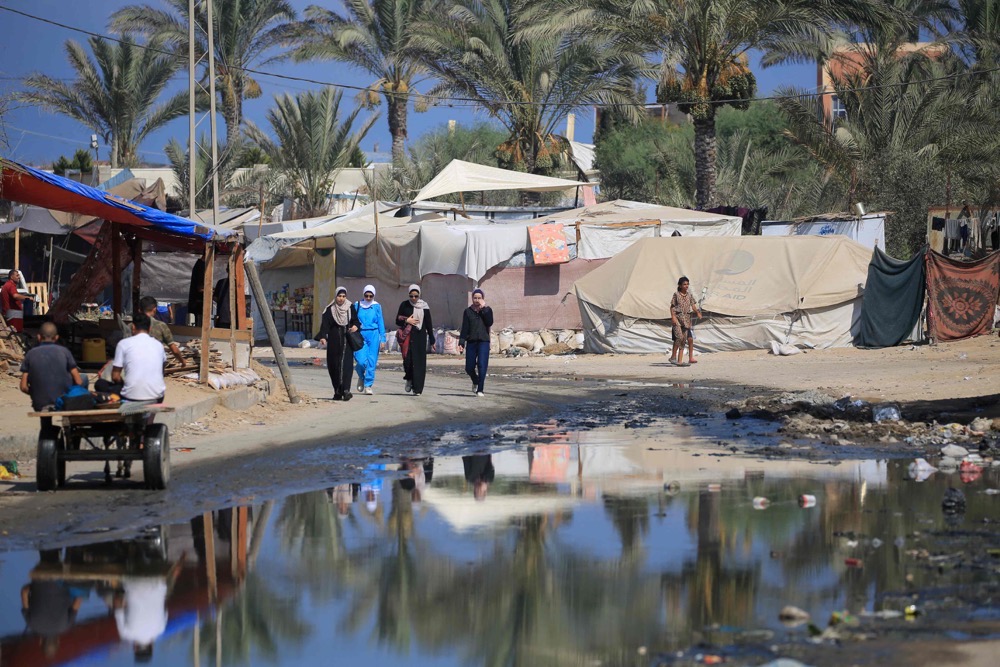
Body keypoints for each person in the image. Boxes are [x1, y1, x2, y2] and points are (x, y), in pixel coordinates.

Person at [20, 322, 84, 428]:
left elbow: (23, 387)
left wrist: (35, 392)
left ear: (39, 337)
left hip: (40, 402)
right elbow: (79, 381)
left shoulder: (30, 354)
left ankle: (46, 426)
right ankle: (72, 424)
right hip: (65, 399)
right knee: (84, 378)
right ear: (57, 338)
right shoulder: (64, 352)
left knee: (43, 403)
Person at [317, 286, 361, 401]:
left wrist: (356, 326)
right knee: (334, 366)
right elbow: (325, 325)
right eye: (339, 296)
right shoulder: (330, 309)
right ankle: (337, 391)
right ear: (335, 296)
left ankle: (346, 390)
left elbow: (356, 321)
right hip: (334, 342)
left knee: (346, 366)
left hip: (347, 341)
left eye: (343, 296)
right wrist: (323, 336)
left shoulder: (350, 307)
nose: (341, 299)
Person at [111, 312, 166, 402]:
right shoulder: (159, 345)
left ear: (133, 327)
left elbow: (115, 376)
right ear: (149, 328)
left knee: (101, 384)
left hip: (131, 397)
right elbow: (162, 370)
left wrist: (123, 383)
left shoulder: (123, 344)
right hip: (157, 396)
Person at [396, 284, 435, 396]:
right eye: (411, 296)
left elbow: (428, 323)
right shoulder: (404, 305)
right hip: (407, 337)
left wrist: (432, 339)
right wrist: (406, 320)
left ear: (419, 295)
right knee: (408, 361)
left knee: (419, 363)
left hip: (420, 336)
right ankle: (409, 378)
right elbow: (397, 320)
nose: (413, 298)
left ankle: (417, 389)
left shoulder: (424, 306)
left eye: (416, 296)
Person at [458, 288, 494, 397]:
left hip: (484, 341)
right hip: (472, 342)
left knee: (482, 365)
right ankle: (475, 381)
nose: (477, 300)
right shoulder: (468, 311)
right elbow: (465, 328)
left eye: (479, 298)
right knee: (469, 367)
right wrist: (461, 342)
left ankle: (480, 389)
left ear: (483, 299)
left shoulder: (487, 310)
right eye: (475, 298)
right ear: (472, 298)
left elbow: (489, 322)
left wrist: (483, 309)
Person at [353, 284, 386, 395]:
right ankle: (361, 376)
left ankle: (368, 385)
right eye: (366, 295)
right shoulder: (357, 305)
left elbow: (380, 323)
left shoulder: (376, 306)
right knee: (361, 361)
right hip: (360, 335)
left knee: (372, 361)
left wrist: (383, 339)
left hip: (374, 334)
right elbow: (352, 320)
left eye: (370, 296)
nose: (368, 298)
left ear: (373, 296)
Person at [139, 296, 185, 367]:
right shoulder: (160, 326)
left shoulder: (131, 326)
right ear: (154, 309)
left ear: (139, 310)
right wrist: (182, 361)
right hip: (155, 365)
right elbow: (173, 349)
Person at [669, 276, 701, 366]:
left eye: (687, 284)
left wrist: (697, 313)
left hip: (686, 320)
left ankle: (679, 361)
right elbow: (672, 307)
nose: (686, 286)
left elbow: (693, 306)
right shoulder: (676, 294)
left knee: (683, 340)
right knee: (679, 337)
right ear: (680, 285)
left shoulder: (689, 295)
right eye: (684, 284)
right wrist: (673, 317)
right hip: (678, 319)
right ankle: (673, 357)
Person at [2, 269, 32, 333]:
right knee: (18, 334)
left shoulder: (7, 285)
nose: (19, 277)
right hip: (13, 315)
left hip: (11, 314)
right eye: (17, 275)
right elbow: (15, 296)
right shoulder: (10, 285)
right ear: (11, 277)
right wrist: (27, 297)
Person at [187, 257, 206, 326]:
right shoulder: (201, 266)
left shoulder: (200, 265)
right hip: (198, 302)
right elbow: (200, 288)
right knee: (199, 323)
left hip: (196, 301)